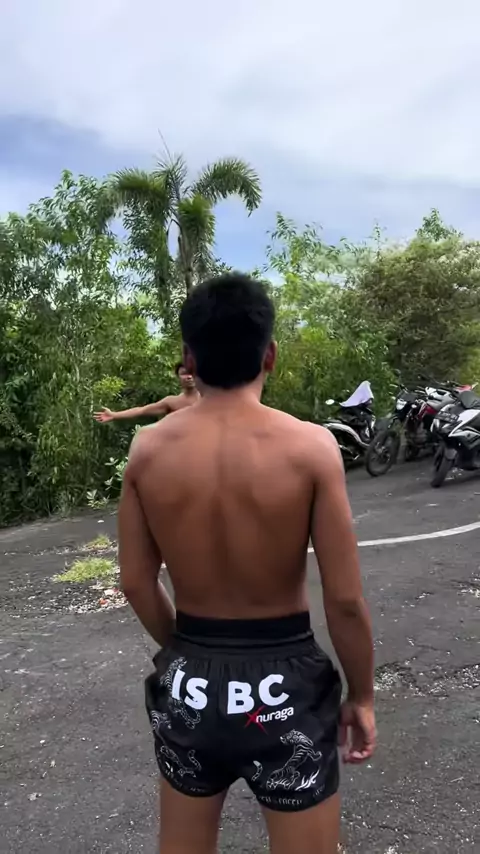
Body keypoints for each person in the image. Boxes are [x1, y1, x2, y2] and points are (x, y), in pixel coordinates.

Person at [118, 273, 376, 854]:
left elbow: (135, 581)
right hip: (286, 683)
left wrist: (185, 653)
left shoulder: (148, 449)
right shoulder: (311, 448)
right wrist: (361, 696)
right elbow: (343, 600)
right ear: (270, 355)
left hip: (190, 678)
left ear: (189, 359)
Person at [93, 362, 199, 424]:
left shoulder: (208, 399)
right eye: (184, 373)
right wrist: (114, 415)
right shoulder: (172, 402)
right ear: (178, 377)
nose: (189, 376)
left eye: (192, 372)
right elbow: (141, 410)